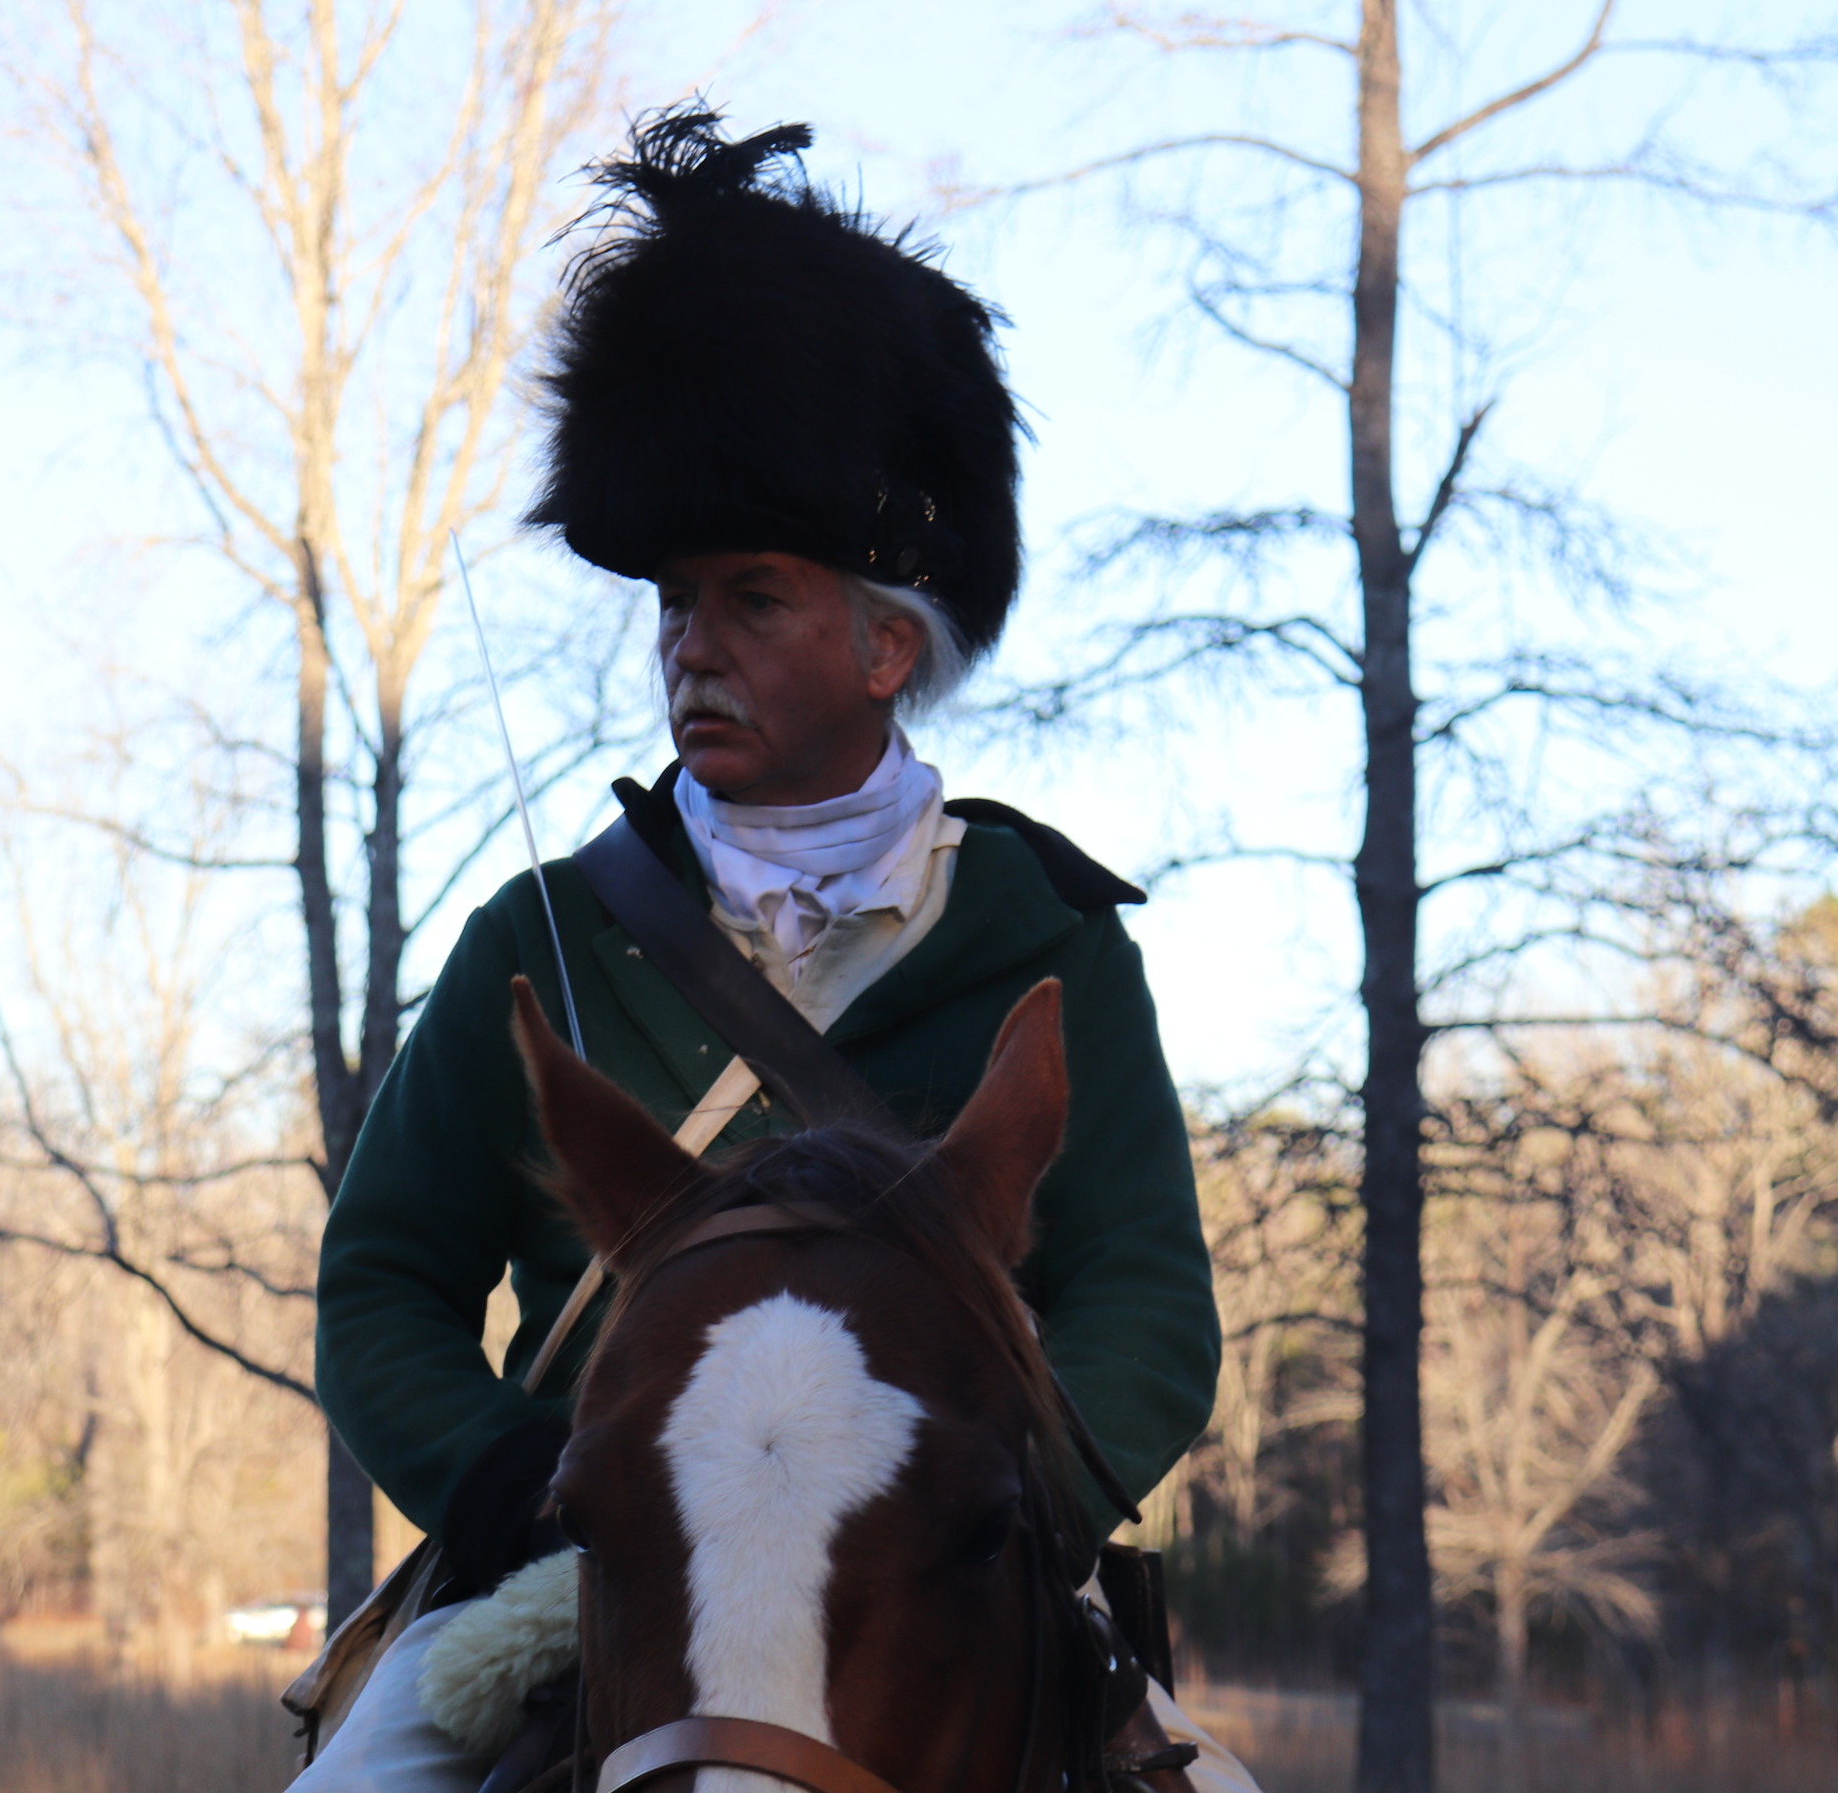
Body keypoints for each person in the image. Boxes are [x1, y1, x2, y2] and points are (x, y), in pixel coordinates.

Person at [299, 109, 1238, 1791]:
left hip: (959, 1556)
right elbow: (380, 1281)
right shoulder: (548, 931)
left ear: (889, 646)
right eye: (675, 607)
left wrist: (998, 1486)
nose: (690, 650)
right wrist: (518, 1478)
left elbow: (1147, 1295)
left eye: (753, 601)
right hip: (584, 1563)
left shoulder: (1054, 942)